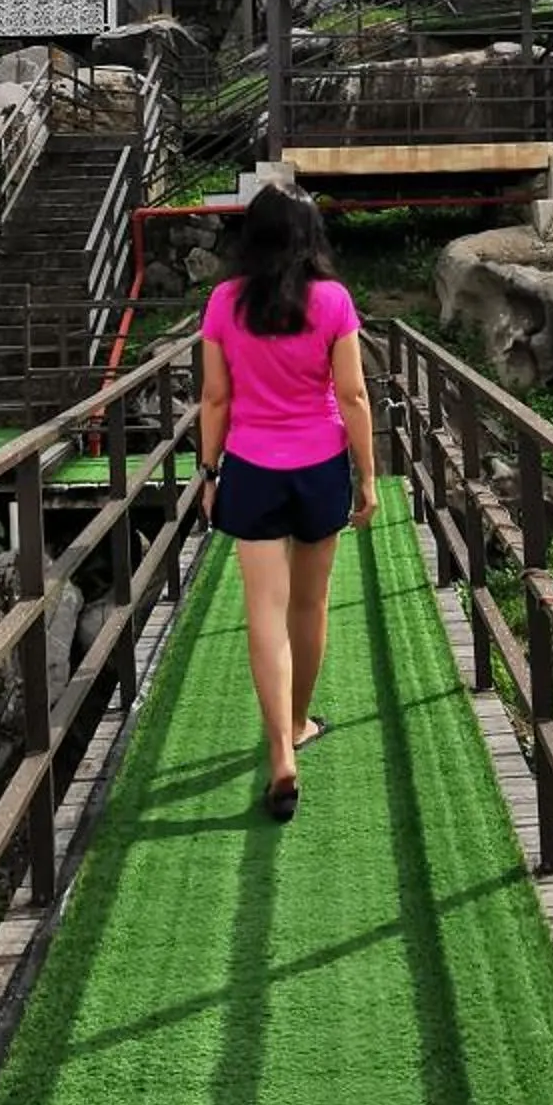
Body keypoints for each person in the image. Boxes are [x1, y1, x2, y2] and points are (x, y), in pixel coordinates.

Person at [197, 184, 377, 820]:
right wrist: (369, 478)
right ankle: (299, 722)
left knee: (264, 615)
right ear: (309, 237)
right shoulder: (333, 301)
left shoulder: (223, 302)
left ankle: (281, 753)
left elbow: (215, 399)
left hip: (250, 468)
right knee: (311, 603)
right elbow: (353, 396)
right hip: (320, 466)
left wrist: (209, 470)